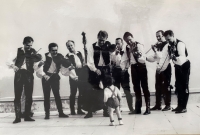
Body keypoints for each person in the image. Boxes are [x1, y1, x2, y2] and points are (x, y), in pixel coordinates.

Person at [10, 36, 42, 124]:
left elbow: (36, 63)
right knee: (17, 96)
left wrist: (39, 62)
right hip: (19, 74)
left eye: (31, 45)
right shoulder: (18, 51)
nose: (29, 47)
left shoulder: (33, 52)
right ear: (23, 43)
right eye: (27, 45)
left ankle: (27, 116)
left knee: (29, 95)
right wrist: (14, 66)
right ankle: (17, 117)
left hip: (29, 74)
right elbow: (9, 61)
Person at [121, 32, 150, 115]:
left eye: (130, 40)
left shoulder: (139, 45)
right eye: (127, 41)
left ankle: (148, 108)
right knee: (136, 88)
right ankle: (138, 109)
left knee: (144, 87)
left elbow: (143, 59)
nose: (129, 42)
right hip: (133, 68)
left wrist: (136, 54)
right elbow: (125, 59)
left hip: (141, 67)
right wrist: (123, 68)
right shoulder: (127, 48)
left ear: (133, 37)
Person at [85, 30, 112, 118]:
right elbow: (89, 61)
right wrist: (95, 70)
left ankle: (106, 111)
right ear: (97, 37)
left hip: (105, 70)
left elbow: (111, 57)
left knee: (105, 90)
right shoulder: (92, 47)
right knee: (92, 90)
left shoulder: (108, 46)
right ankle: (90, 112)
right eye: (100, 40)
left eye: (103, 40)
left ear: (106, 39)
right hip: (94, 70)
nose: (101, 42)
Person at [39, 43, 69, 119]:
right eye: (53, 50)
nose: (55, 52)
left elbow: (66, 64)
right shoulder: (45, 56)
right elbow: (39, 68)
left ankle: (61, 113)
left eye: (56, 50)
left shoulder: (59, 56)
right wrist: (44, 75)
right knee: (46, 96)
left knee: (57, 95)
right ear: (49, 50)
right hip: (46, 77)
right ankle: (47, 114)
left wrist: (65, 61)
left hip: (55, 77)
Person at [164, 30, 190, 113]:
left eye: (169, 39)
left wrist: (174, 58)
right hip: (178, 66)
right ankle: (179, 106)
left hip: (184, 66)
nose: (168, 41)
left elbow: (182, 58)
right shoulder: (169, 45)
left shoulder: (180, 44)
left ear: (173, 36)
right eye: (166, 40)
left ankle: (184, 107)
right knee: (178, 86)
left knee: (184, 85)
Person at [146, 30, 172, 111]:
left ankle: (168, 105)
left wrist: (155, 50)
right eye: (156, 36)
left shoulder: (167, 45)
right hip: (158, 67)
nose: (157, 38)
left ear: (163, 36)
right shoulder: (159, 45)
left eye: (159, 36)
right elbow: (155, 57)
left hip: (165, 67)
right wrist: (145, 58)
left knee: (166, 86)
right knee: (158, 86)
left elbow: (161, 56)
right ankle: (158, 105)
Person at [110, 38, 134, 113]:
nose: (117, 45)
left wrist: (126, 68)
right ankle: (117, 108)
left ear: (122, 43)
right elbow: (112, 62)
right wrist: (116, 54)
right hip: (116, 72)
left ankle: (131, 108)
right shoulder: (113, 53)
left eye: (119, 43)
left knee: (127, 91)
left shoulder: (126, 51)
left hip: (124, 72)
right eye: (116, 43)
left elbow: (130, 60)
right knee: (116, 91)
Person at [66, 40, 86, 115]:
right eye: (68, 46)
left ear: (74, 45)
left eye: (71, 45)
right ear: (67, 47)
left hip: (81, 73)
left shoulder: (79, 53)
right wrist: (74, 76)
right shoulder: (67, 56)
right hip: (73, 74)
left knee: (81, 92)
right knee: (73, 93)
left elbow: (83, 62)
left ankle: (79, 109)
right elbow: (68, 68)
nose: (70, 47)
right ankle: (72, 110)